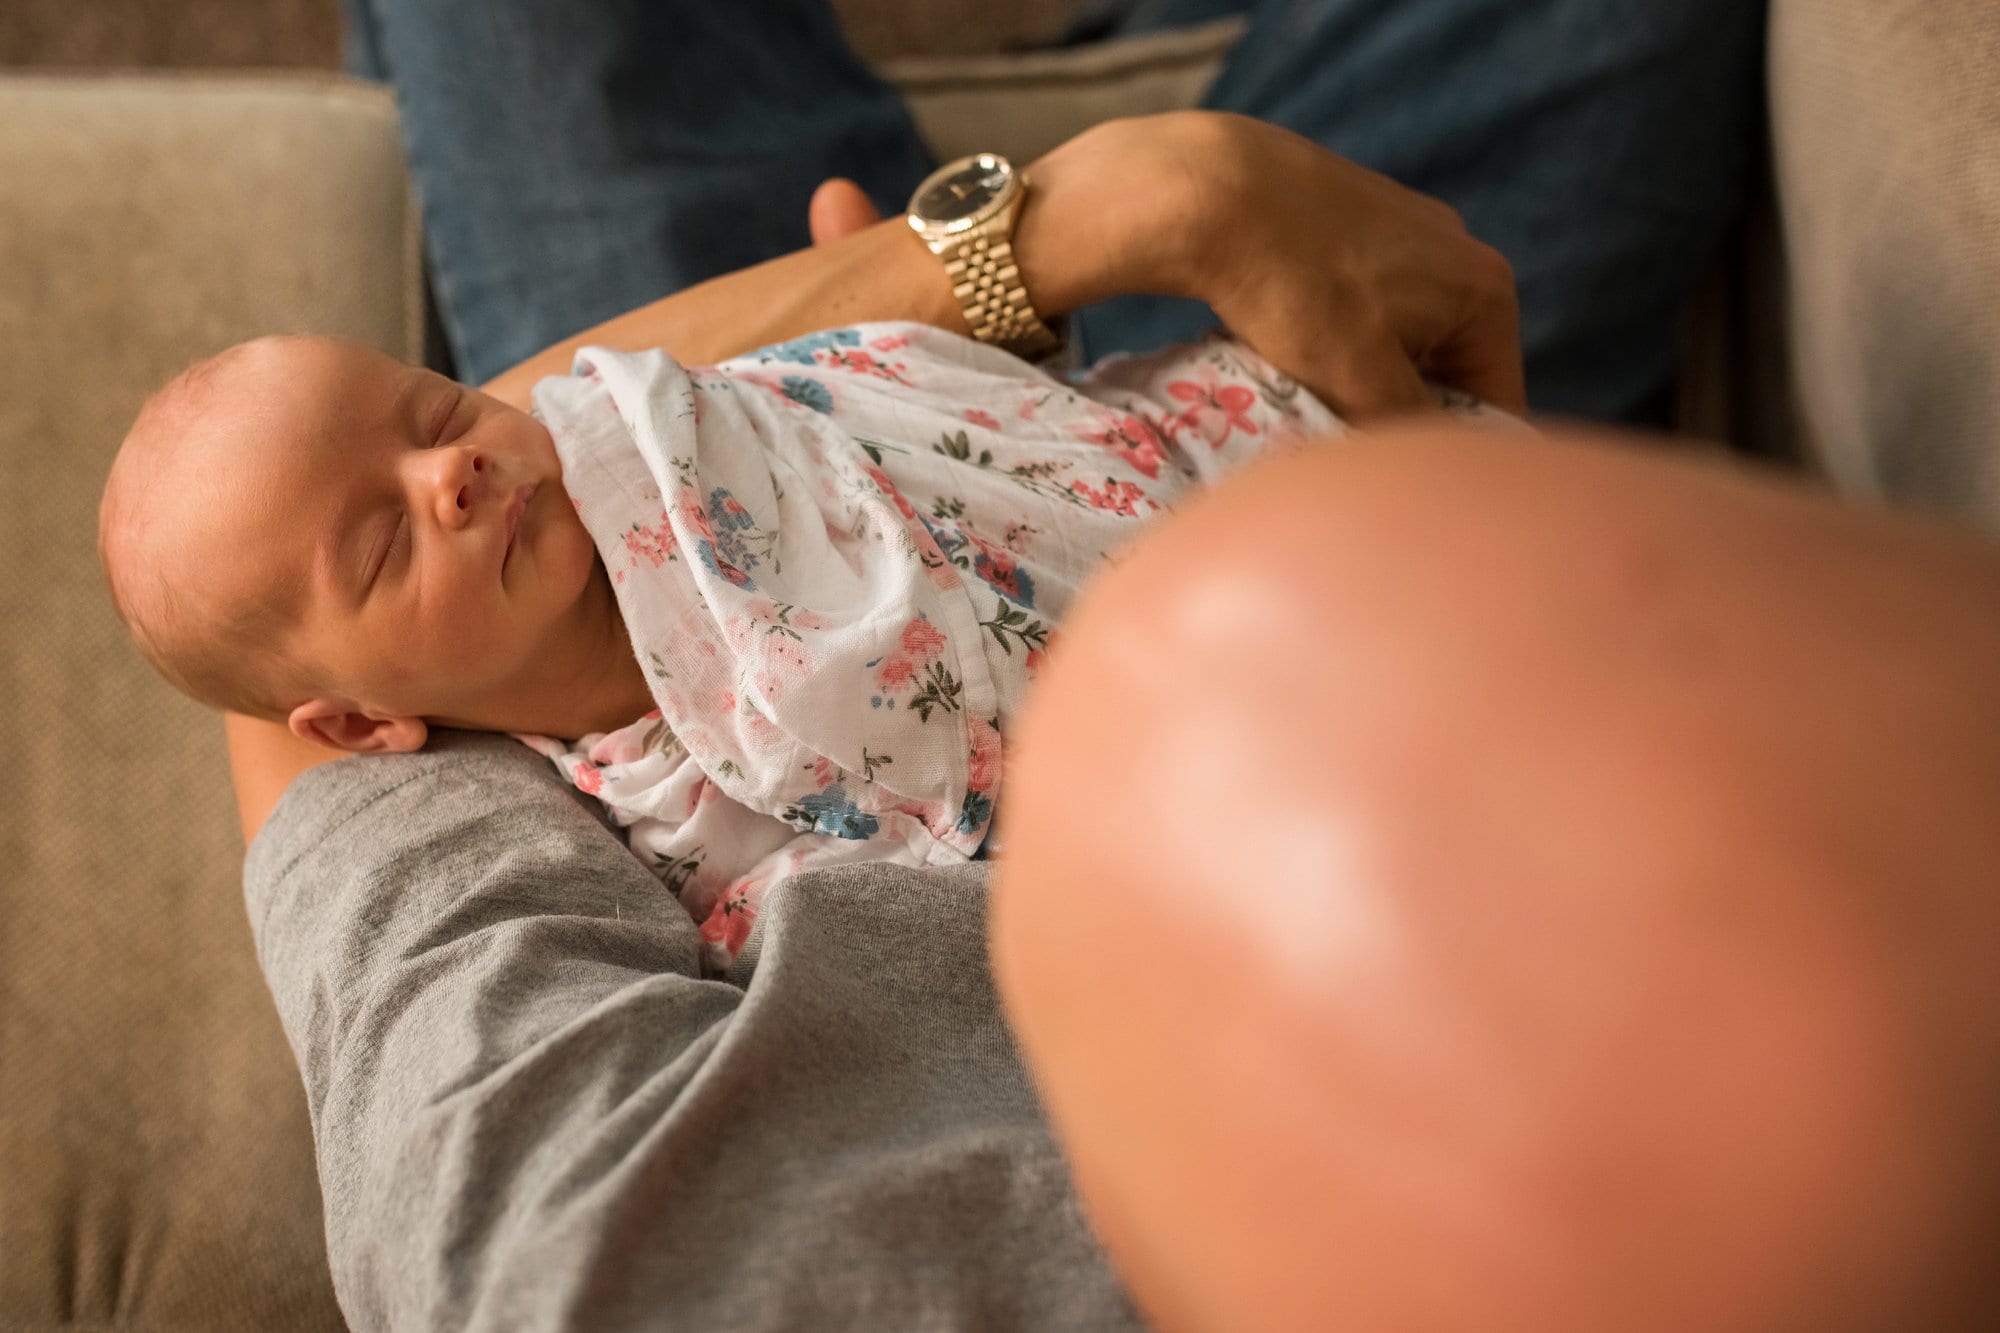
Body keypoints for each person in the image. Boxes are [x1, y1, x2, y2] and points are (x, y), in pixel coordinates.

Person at [215, 1, 1831, 1328]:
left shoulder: (558, 1264)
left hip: (713, 444)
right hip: (1315, 512)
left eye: (427, 430)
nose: (441, 473)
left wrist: (998, 256)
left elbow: (284, 699)